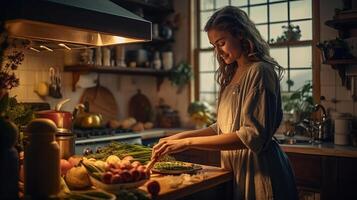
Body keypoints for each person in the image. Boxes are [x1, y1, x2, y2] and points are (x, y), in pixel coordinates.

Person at [151, 6, 298, 200]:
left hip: (262, 171)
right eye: (214, 45)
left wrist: (188, 143)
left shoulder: (260, 71)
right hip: (236, 170)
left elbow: (251, 136)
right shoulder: (231, 75)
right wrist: (178, 138)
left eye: (221, 42)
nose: (218, 51)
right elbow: (222, 128)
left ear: (240, 35)